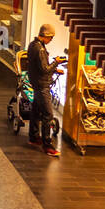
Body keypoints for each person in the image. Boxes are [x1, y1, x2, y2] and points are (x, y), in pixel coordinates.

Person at [26, 23, 66, 157]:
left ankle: (33, 137)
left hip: (35, 83)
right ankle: (47, 145)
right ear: (46, 36)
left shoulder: (32, 45)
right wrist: (57, 63)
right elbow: (44, 69)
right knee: (48, 115)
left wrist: (54, 68)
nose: (51, 40)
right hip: (42, 85)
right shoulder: (41, 50)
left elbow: (40, 66)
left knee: (36, 111)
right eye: (51, 38)